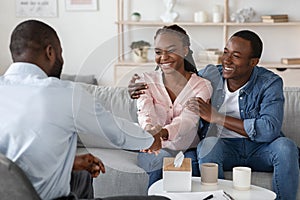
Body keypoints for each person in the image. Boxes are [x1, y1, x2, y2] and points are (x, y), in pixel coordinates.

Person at [0, 19, 170, 200]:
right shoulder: (64, 93)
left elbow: (12, 159)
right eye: (60, 53)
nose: (62, 60)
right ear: (50, 52)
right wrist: (151, 138)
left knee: (81, 178)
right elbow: (116, 133)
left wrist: (68, 163)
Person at [129, 30, 299, 200]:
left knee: (286, 147)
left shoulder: (269, 83)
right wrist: (140, 87)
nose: (227, 60)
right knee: (208, 145)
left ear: (253, 62)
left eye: (236, 56)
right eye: (226, 52)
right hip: (224, 147)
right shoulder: (211, 75)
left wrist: (217, 117)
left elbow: (269, 129)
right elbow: (178, 76)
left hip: (260, 148)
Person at [132, 24, 212, 187]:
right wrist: (151, 133)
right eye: (158, 52)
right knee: (160, 159)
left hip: (188, 149)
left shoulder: (202, 86)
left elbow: (188, 120)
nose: (164, 57)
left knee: (191, 168)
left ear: (184, 50)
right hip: (153, 148)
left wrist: (161, 133)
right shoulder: (144, 81)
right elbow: (145, 112)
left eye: (170, 50)